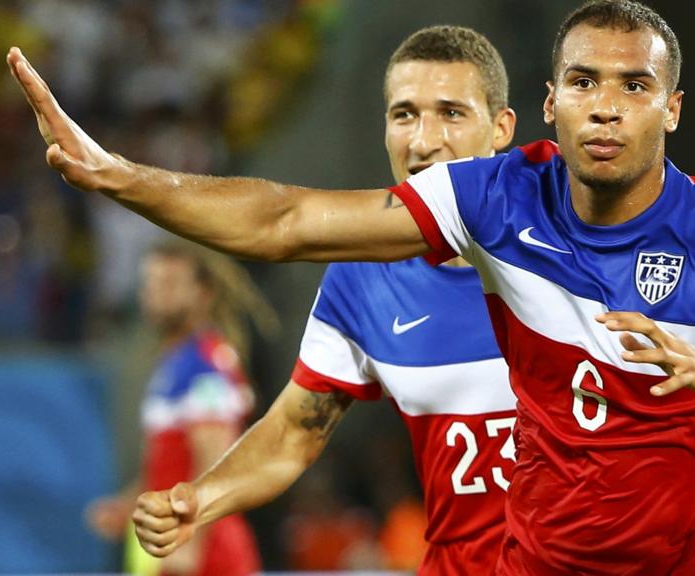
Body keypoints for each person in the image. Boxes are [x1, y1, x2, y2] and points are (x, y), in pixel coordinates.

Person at [9, 1, 695, 574]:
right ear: (553, 102)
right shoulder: (473, 214)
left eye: (635, 86)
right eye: (586, 82)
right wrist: (123, 177)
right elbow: (286, 227)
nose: (607, 105)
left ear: (670, 107)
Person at [130, 26, 519, 574]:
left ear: (501, 128)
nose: (423, 140)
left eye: (451, 113)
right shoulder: (364, 279)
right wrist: (200, 499)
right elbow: (292, 432)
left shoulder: (571, 241)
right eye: (404, 115)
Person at [86, 239, 278, 576]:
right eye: (151, 283)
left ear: (203, 294)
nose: (156, 294)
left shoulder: (204, 365)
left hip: (209, 556)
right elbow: (167, 464)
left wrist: (192, 544)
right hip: (173, 547)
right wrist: (128, 504)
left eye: (170, 283)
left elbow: (214, 459)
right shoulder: (175, 363)